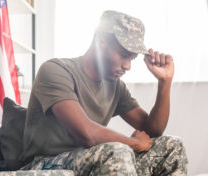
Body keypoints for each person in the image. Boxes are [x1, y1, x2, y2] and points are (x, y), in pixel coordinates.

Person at [19, 10, 188, 176]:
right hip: (44, 164)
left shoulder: (115, 86)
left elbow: (153, 130)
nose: (128, 66)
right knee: (117, 151)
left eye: (132, 58)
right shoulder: (56, 70)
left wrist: (164, 82)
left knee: (171, 145)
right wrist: (134, 143)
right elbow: (86, 133)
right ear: (101, 42)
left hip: (91, 160)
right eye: (124, 55)